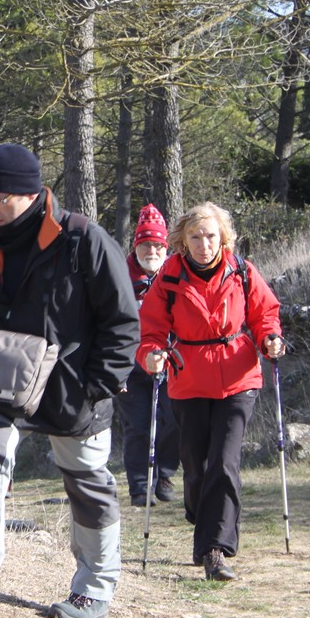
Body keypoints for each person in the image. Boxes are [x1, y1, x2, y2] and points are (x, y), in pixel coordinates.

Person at [0, 143, 139, 618]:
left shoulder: (84, 240)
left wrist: (98, 384)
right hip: (1, 385)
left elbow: (123, 321)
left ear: (29, 192)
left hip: (75, 391)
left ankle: (93, 590)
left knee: (87, 484)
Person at [137, 201, 285, 582]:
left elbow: (265, 314)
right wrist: (151, 355)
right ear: (182, 241)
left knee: (224, 461)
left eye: (211, 236)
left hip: (238, 378)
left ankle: (214, 550)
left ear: (223, 238)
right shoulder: (169, 277)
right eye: (196, 237)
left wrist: (270, 338)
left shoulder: (242, 271)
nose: (204, 244)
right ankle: (202, 518)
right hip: (188, 379)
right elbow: (151, 328)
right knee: (195, 466)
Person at [115, 204, 181, 507]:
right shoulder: (119, 276)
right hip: (130, 364)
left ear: (165, 247)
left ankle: (165, 474)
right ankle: (140, 487)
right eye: (145, 245)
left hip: (171, 360)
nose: (151, 251)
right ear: (136, 246)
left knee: (173, 420)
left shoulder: (177, 273)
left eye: (157, 245)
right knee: (138, 425)